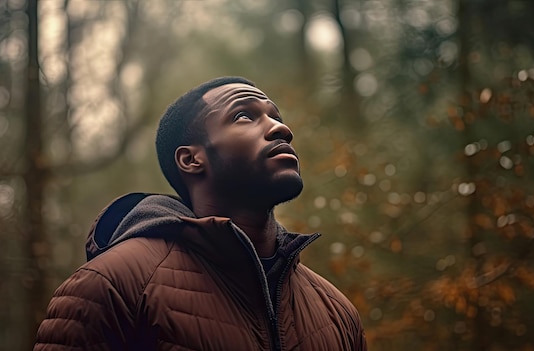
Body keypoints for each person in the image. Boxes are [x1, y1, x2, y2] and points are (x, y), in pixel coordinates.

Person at [34, 76, 367, 350]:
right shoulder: (113, 286)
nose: (281, 129)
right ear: (191, 160)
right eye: (244, 116)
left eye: (276, 117)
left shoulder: (336, 312)